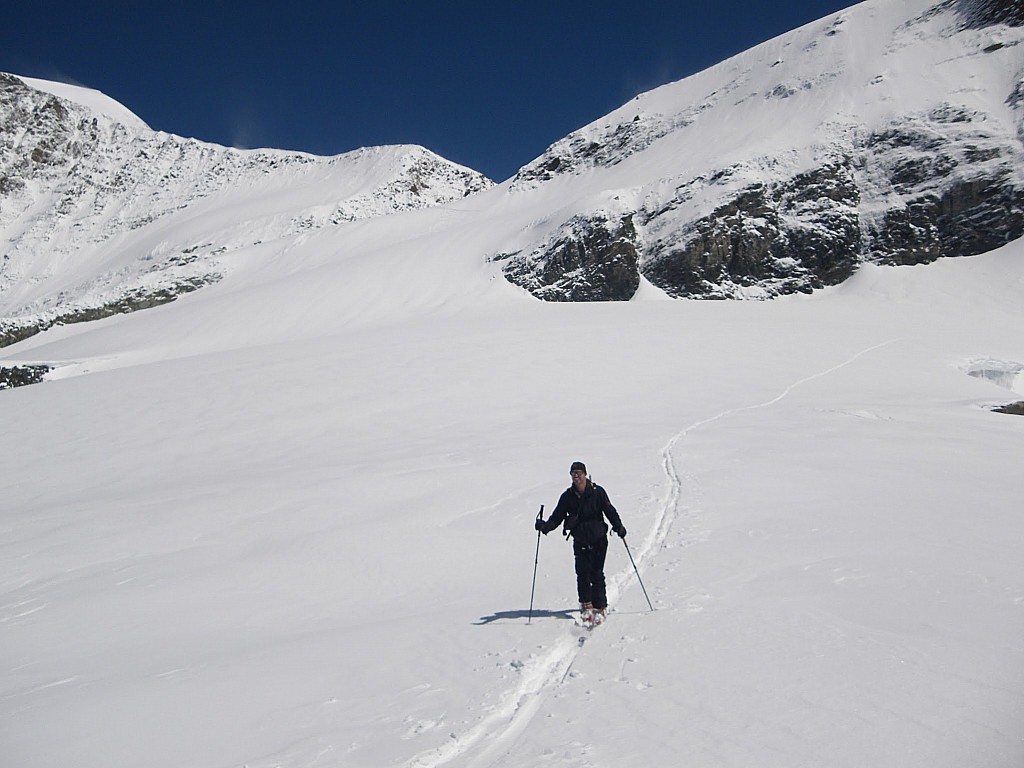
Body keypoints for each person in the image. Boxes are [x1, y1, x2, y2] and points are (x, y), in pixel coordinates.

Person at [535, 461, 626, 625]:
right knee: (582, 574)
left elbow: (609, 510)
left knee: (597, 573)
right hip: (580, 539)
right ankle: (586, 607)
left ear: (585, 474)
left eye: (579, 473)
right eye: (573, 474)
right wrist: (544, 527)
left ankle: (600, 608)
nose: (576, 476)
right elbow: (557, 516)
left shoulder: (597, 492)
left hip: (598, 538)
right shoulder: (567, 496)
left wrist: (618, 526)